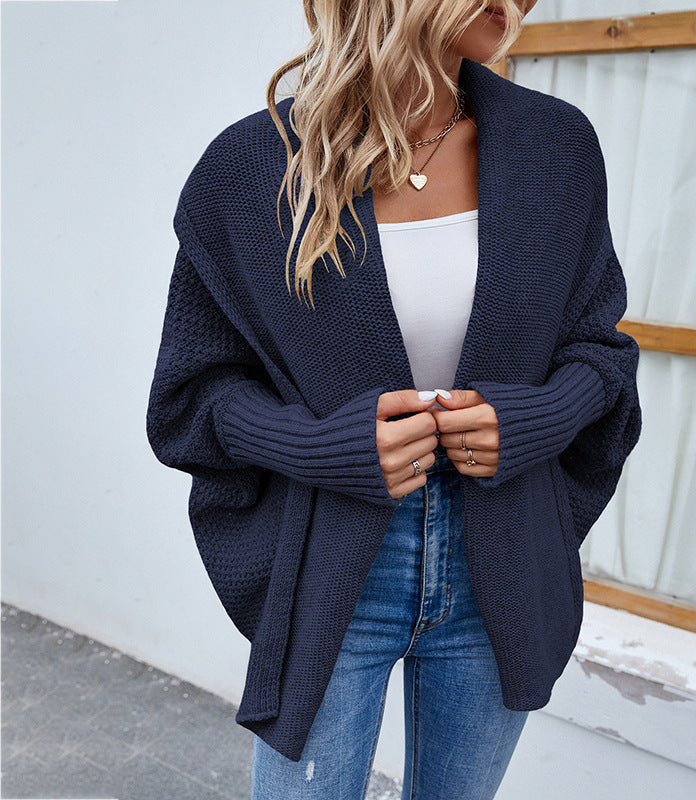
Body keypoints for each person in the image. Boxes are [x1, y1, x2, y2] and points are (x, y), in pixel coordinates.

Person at [146, 0, 642, 797]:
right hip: (332, 564)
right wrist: (319, 445)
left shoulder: (558, 149)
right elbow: (192, 397)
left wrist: (532, 418)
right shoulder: (248, 172)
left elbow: (601, 353)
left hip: (502, 562)